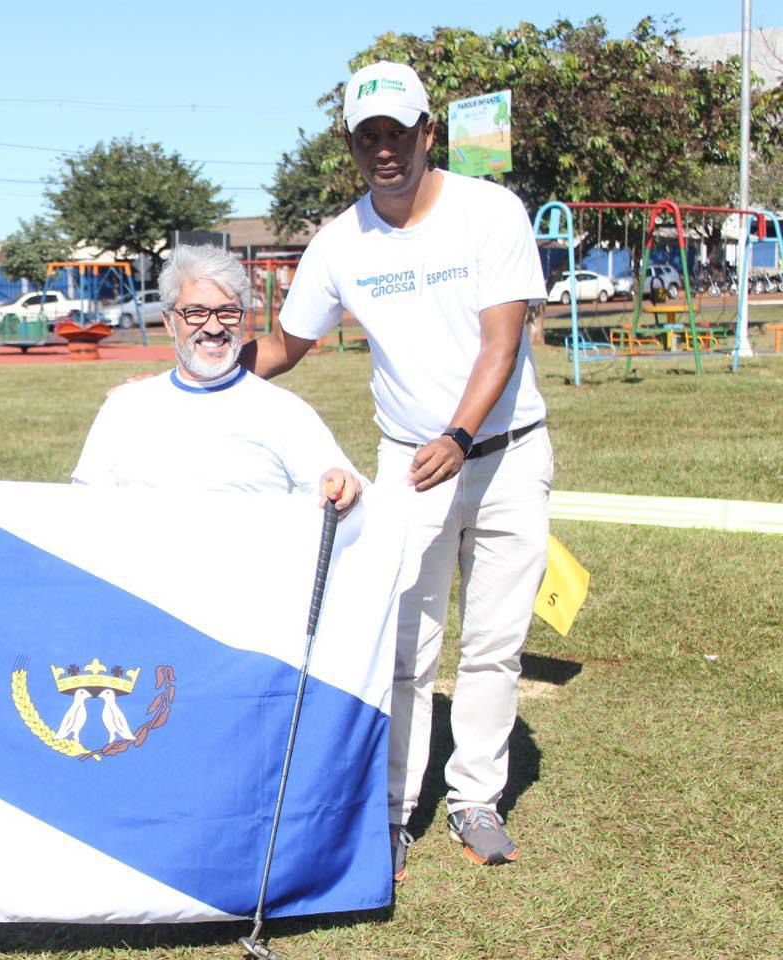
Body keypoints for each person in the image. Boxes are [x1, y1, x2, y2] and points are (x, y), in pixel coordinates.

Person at [240, 61, 552, 881]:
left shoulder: (491, 212)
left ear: (428, 132)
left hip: (506, 452)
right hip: (408, 462)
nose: (385, 149)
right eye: (367, 135)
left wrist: (459, 431)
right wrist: (207, 360)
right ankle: (388, 813)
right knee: (405, 644)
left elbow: (503, 340)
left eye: (397, 131)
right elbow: (286, 347)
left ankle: (475, 797)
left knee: (494, 641)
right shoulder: (340, 242)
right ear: (352, 144)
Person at [72, 243, 362, 510]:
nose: (213, 327)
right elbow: (84, 503)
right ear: (169, 323)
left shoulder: (283, 410)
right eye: (196, 313)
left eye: (227, 312)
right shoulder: (126, 405)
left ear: (243, 318)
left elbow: (340, 484)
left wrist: (342, 482)